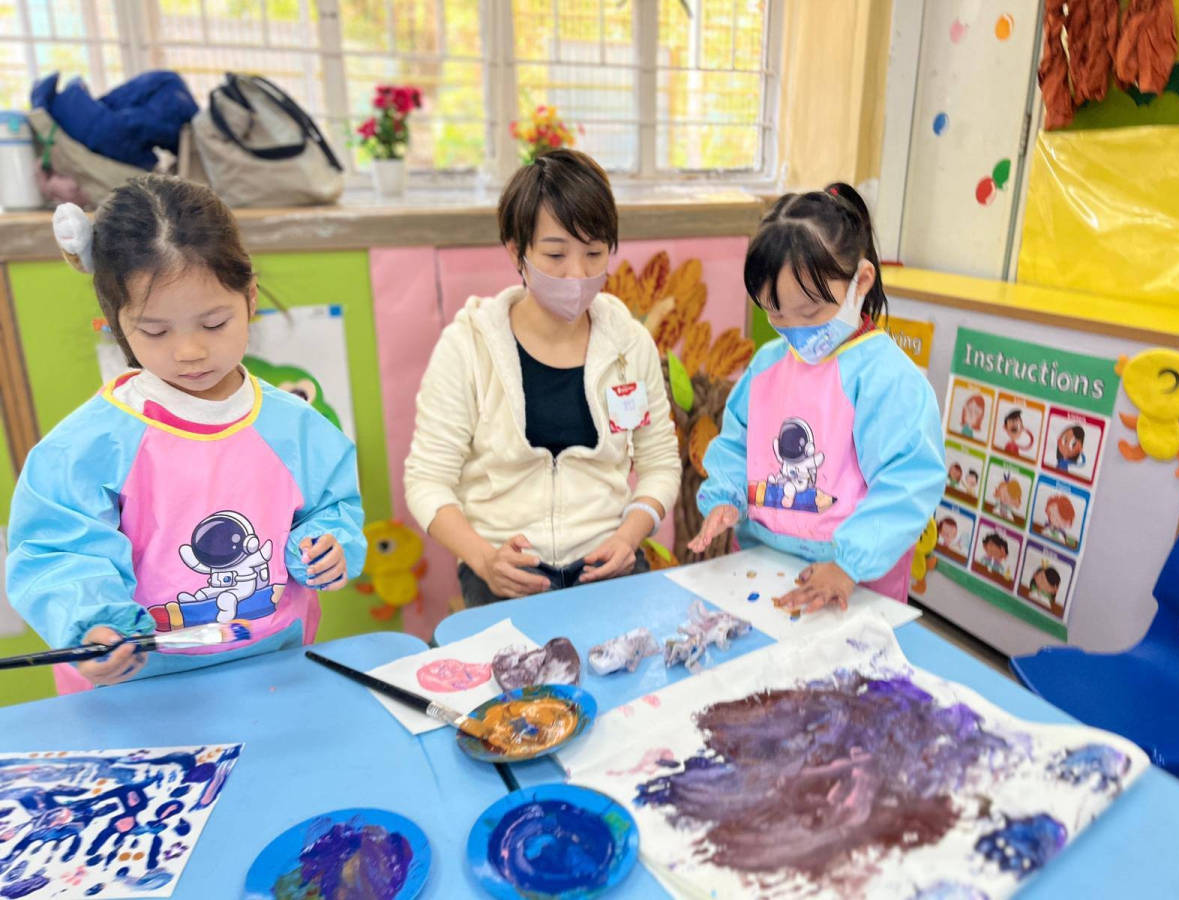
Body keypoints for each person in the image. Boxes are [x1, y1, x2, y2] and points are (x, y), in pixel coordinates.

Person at [5, 176, 366, 692]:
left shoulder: (296, 426)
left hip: (270, 668)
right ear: (116, 321)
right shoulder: (90, 445)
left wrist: (326, 545)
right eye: (155, 331)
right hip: (140, 687)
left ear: (250, 297)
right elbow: (59, 552)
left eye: (214, 324)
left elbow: (332, 508)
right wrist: (93, 624)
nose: (190, 352)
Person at [405, 150, 680, 607]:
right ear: (517, 251)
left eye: (594, 254)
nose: (577, 274)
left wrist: (629, 537)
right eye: (555, 254)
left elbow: (661, 464)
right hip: (507, 569)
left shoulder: (629, 344)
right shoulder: (468, 347)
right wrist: (484, 559)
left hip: (606, 561)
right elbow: (427, 480)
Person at [688, 183, 944, 613]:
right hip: (763, 560)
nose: (795, 330)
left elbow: (908, 481)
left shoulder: (886, 378)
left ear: (861, 281)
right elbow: (736, 444)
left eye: (810, 313)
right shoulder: (768, 364)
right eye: (776, 313)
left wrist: (847, 565)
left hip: (854, 577)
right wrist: (726, 498)